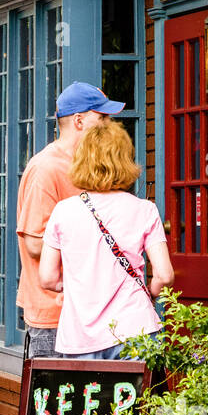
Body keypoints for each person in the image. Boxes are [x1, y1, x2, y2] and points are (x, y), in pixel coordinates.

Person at [38, 122, 174, 360]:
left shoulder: (63, 211)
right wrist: (149, 293)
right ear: (125, 160)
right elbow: (164, 275)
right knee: (144, 398)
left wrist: (70, 286)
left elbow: (47, 277)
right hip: (136, 329)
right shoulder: (144, 210)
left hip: (80, 337)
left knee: (88, 397)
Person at [16, 83, 125, 358]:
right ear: (79, 121)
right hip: (54, 314)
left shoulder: (90, 167)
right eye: (102, 118)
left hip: (90, 312)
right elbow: (34, 244)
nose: (109, 125)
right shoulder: (47, 168)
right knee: (54, 401)